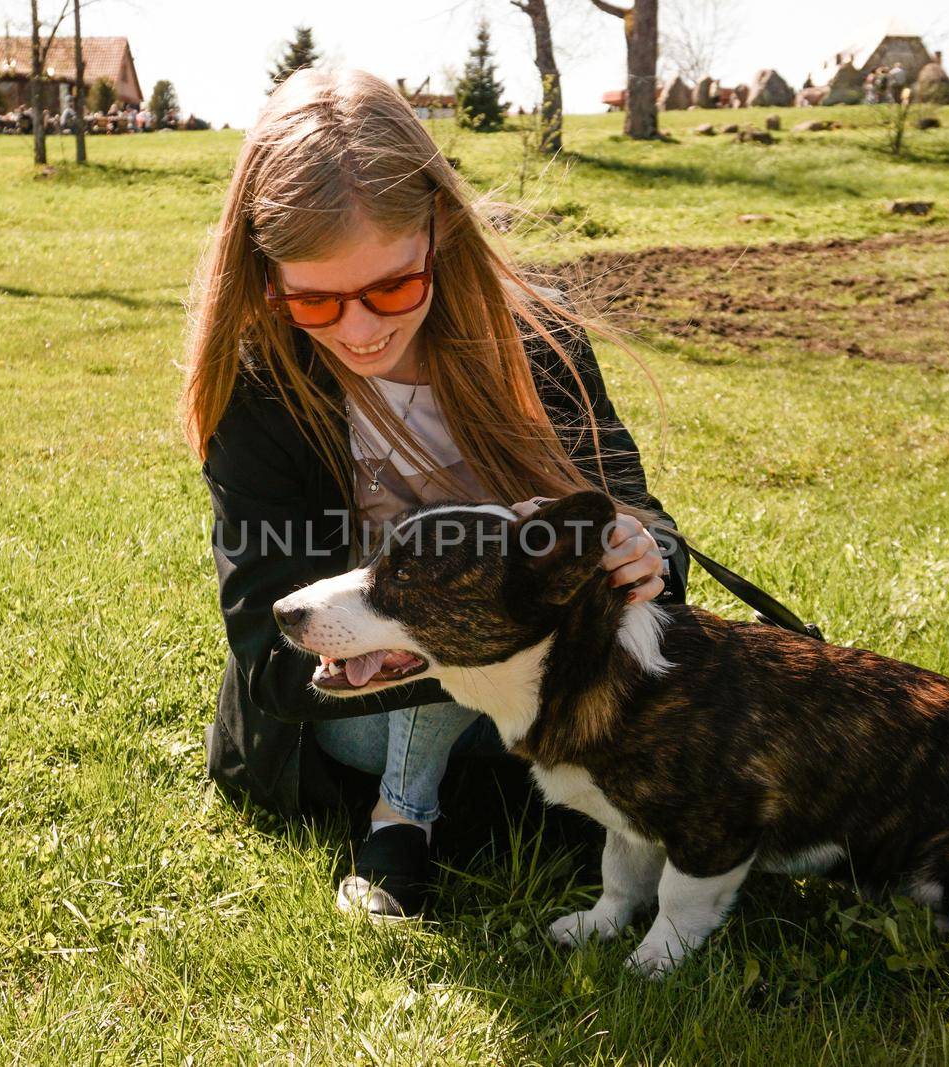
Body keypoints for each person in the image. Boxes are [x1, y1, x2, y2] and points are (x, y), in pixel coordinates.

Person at [183, 68, 690, 921]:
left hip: (537, 692)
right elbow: (272, 659)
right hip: (351, 706)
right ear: (265, 275)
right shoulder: (260, 386)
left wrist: (645, 555)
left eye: (392, 287)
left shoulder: (536, 336)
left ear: (441, 231)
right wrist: (476, 636)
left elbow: (644, 523)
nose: (360, 328)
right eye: (312, 300)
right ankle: (399, 814)